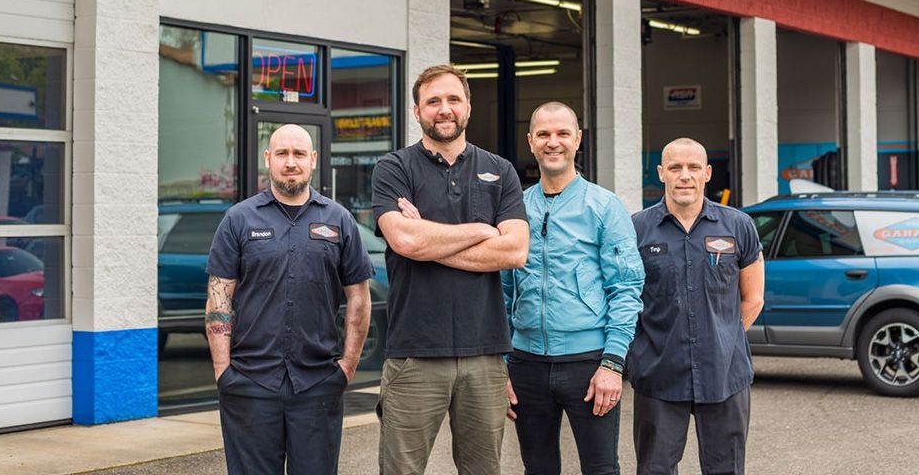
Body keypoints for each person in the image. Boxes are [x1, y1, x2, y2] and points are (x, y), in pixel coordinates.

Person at [371, 64, 530, 475]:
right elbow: (405, 241)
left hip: (485, 354)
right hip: (414, 353)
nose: (444, 109)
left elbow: (515, 251)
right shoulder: (394, 168)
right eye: (433, 101)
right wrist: (481, 230)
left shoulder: (501, 171)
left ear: (469, 107)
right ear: (417, 111)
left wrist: (426, 236)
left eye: (453, 99)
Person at [205, 123, 374, 475]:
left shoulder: (339, 220)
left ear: (313, 159)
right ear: (268, 159)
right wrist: (223, 371)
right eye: (282, 153)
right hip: (250, 382)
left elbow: (359, 297)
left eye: (299, 154)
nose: (291, 162)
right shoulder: (239, 219)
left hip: (317, 383)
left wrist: (347, 367)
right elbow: (219, 295)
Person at [503, 102, 644, 475]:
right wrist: (501, 365)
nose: (553, 142)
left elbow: (626, 289)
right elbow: (500, 293)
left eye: (562, 133)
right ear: (530, 141)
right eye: (544, 134)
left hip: (589, 364)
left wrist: (612, 363)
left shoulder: (605, 206)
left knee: (601, 469)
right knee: (537, 469)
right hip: (526, 364)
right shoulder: (515, 208)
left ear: (578, 139)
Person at [628, 137, 766, 475]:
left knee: (725, 469)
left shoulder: (738, 226)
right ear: (661, 173)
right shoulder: (637, 229)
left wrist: (723, 338)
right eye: (675, 167)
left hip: (724, 374)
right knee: (655, 469)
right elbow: (626, 300)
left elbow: (753, 298)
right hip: (658, 375)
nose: (684, 175)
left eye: (693, 167)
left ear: (707, 173)